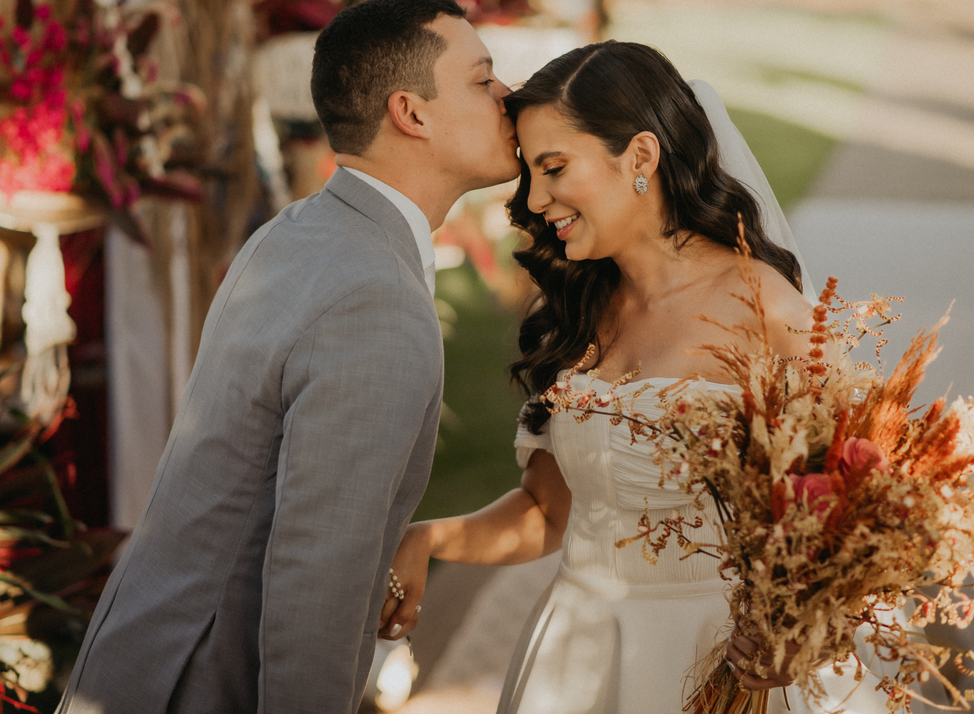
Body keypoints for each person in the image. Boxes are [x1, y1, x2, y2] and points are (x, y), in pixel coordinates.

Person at [383, 42, 897, 712]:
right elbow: (549, 512)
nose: (536, 199)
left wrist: (800, 633)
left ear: (642, 158)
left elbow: (868, 517)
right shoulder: (574, 311)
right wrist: (430, 536)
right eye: (529, 174)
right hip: (577, 656)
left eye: (555, 168)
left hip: (719, 660)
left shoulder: (767, 309)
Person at [57, 0, 520, 714]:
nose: (507, 96)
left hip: (141, 659)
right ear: (412, 112)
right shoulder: (377, 298)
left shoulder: (300, 229)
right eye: (483, 78)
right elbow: (318, 583)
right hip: (203, 683)